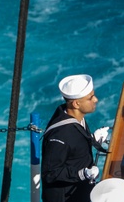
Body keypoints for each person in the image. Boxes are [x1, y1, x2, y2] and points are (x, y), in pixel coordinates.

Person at [41, 74, 109, 202]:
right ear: (76, 104)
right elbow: (50, 173)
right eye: (90, 98)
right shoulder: (60, 135)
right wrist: (82, 173)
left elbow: (73, 148)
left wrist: (92, 139)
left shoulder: (76, 119)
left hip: (81, 191)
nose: (96, 100)